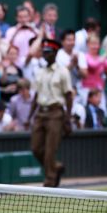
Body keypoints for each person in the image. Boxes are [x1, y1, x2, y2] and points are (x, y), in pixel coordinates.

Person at [28, 38, 72, 188]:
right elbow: (35, 95)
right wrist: (29, 116)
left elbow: (68, 95)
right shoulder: (40, 72)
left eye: (48, 52)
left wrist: (67, 118)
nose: (45, 55)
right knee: (35, 148)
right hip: (41, 113)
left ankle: (50, 181)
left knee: (50, 150)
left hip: (55, 113)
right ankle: (56, 166)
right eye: (44, 52)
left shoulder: (63, 71)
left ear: (55, 53)